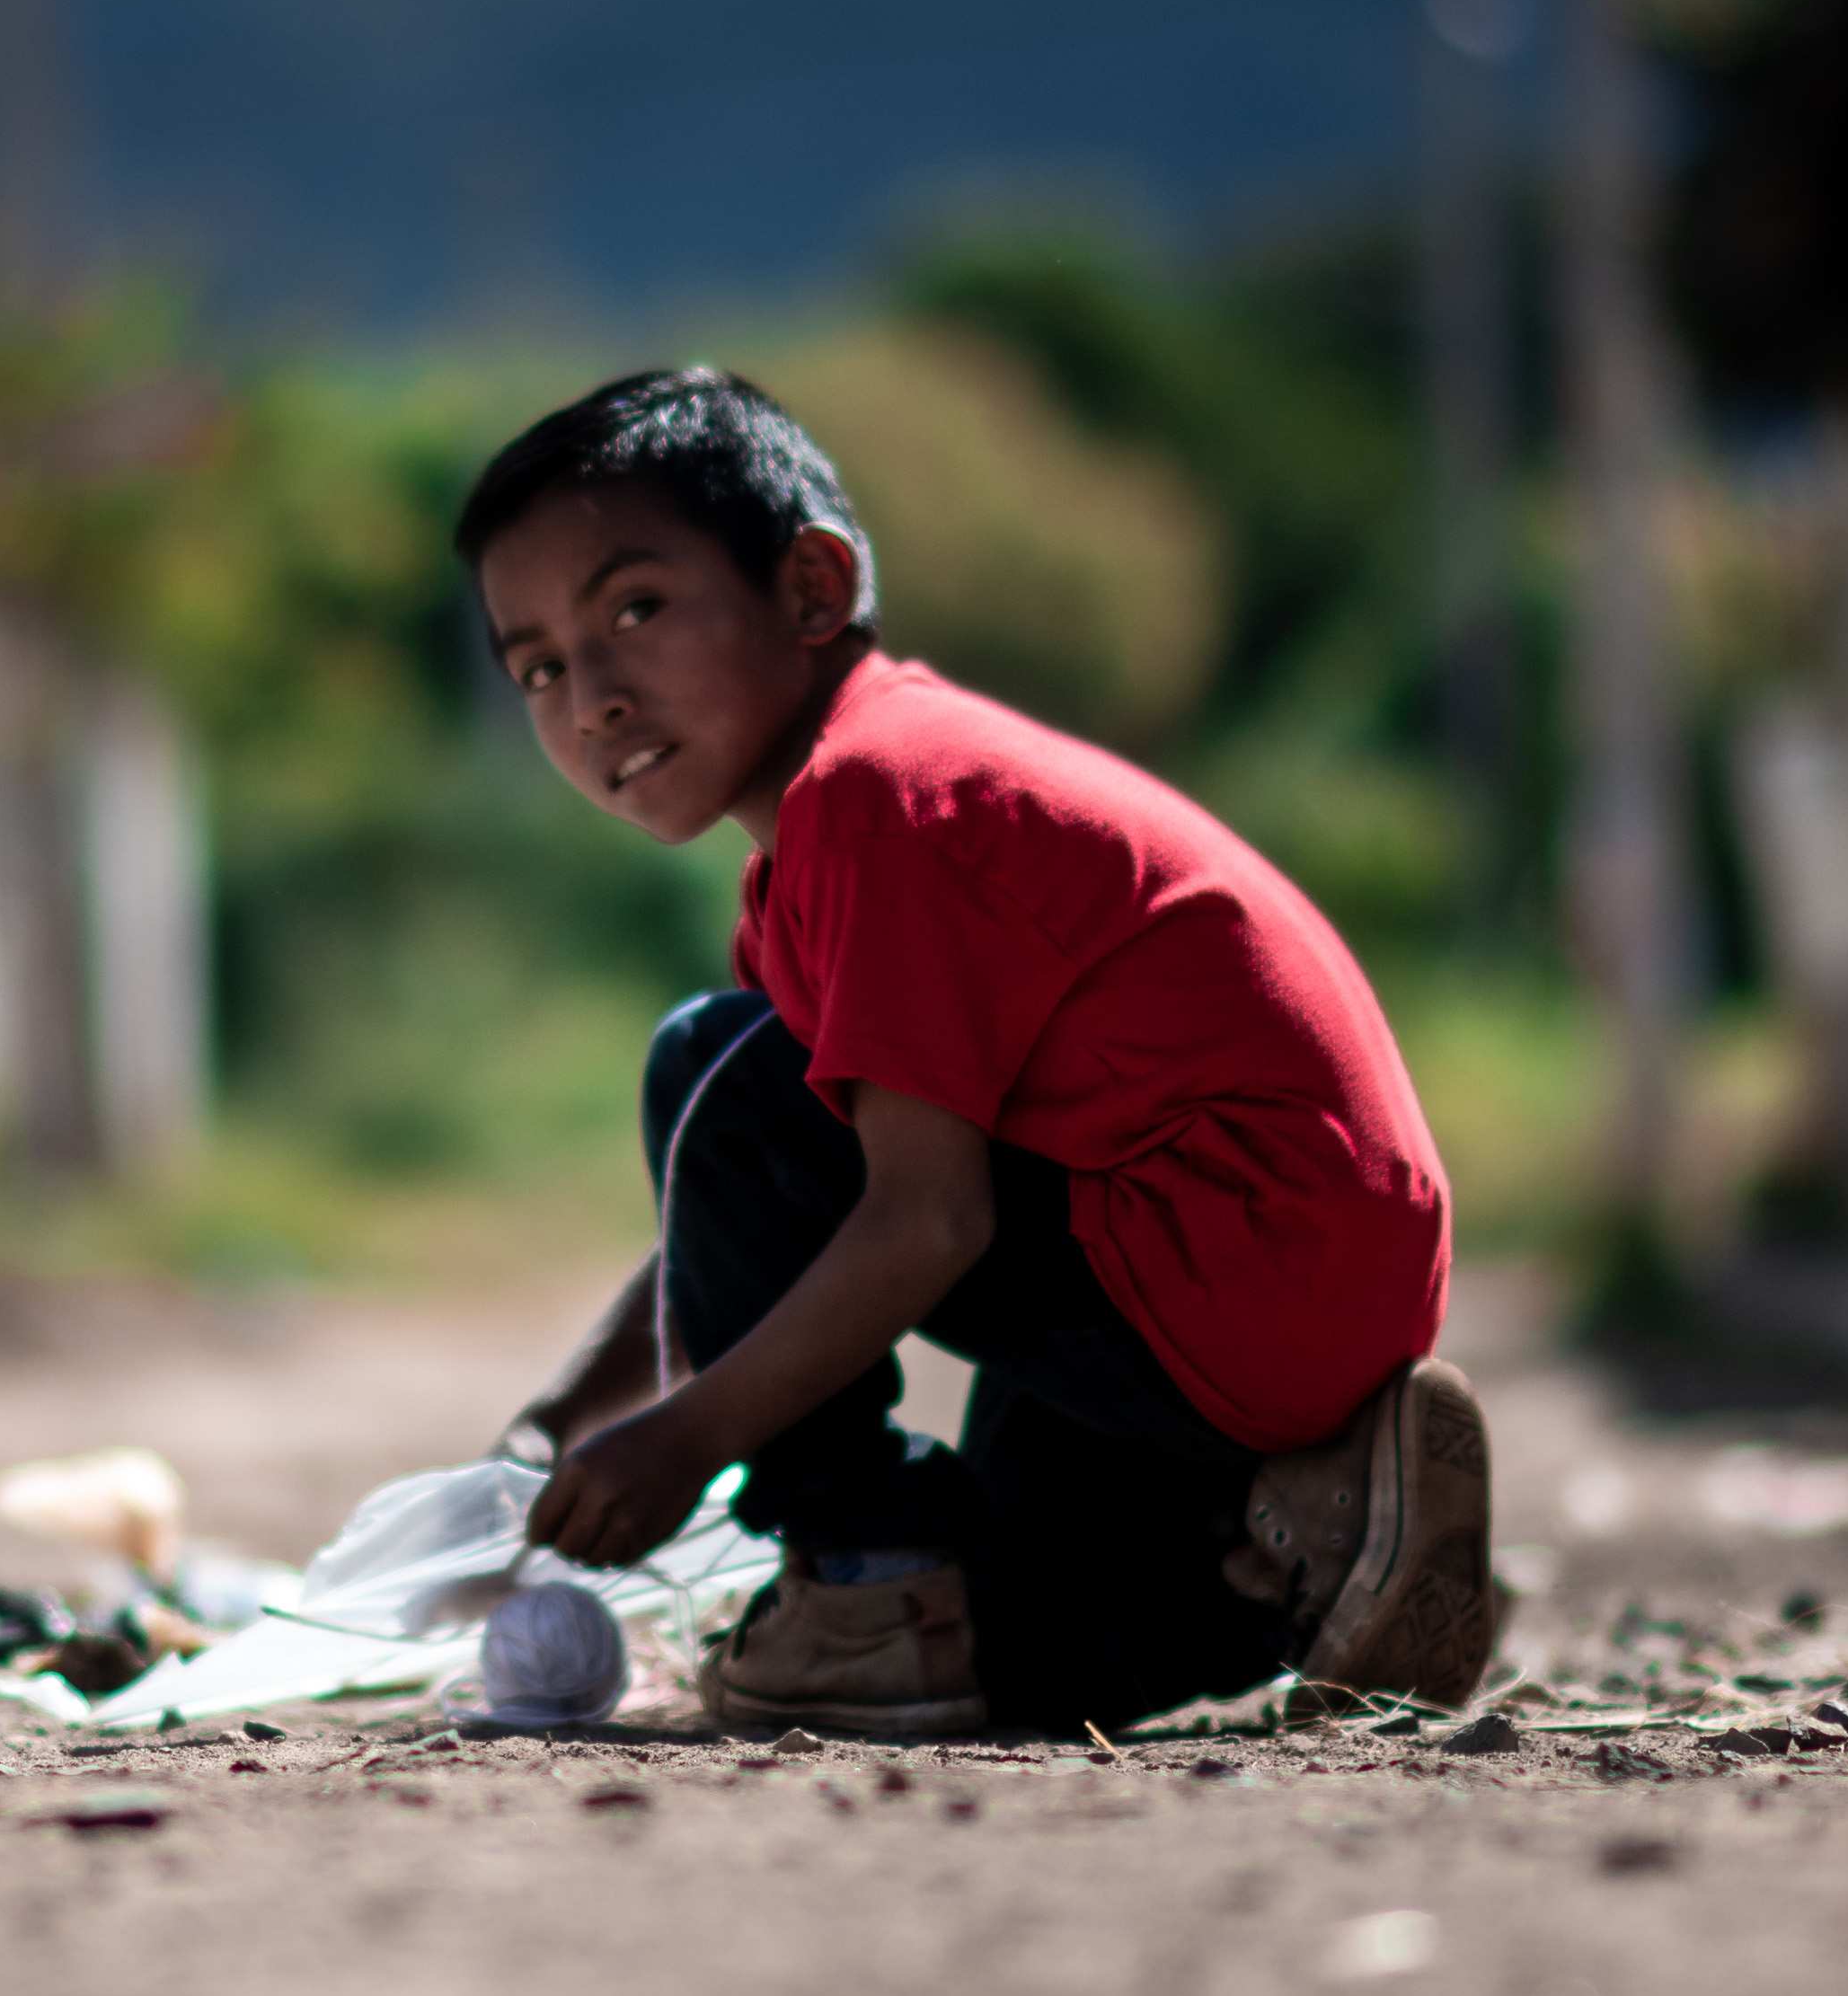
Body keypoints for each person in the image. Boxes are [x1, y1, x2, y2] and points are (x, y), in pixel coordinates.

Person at [460, 363, 1496, 1738]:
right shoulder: (833, 837)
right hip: (1259, 1292)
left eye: (636, 612)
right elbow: (739, 1231)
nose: (590, 699)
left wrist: (689, 1438)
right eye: (538, 668)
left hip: (1213, 1247)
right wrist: (560, 1420)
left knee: (716, 1065)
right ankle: (1309, 1539)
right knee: (1011, 1667)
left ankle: (867, 1575)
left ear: (812, 591)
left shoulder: (879, 797)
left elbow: (924, 1217)